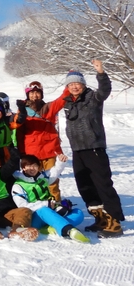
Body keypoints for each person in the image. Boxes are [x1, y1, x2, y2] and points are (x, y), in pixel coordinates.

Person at [62, 60, 124, 238]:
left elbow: (105, 90)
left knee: (103, 184)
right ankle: (100, 219)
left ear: (83, 84)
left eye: (77, 83)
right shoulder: (68, 103)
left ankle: (114, 222)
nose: (74, 87)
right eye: (71, 84)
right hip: (77, 149)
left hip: (94, 148)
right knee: (85, 185)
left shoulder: (93, 98)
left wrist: (101, 73)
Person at [11, 154, 89, 243]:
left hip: (50, 211)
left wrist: (61, 162)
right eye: (29, 166)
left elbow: (54, 171)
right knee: (44, 210)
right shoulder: (18, 185)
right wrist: (45, 204)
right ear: (23, 168)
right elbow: (23, 207)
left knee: (78, 213)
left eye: (35, 166)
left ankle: (50, 228)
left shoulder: (42, 177)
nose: (32, 168)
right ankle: (68, 230)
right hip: (34, 218)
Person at [15, 81, 69, 201]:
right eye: (32, 93)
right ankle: (39, 206)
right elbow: (19, 132)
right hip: (31, 153)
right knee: (34, 182)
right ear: (28, 95)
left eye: (38, 93)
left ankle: (57, 205)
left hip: (50, 152)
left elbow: (62, 100)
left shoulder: (48, 108)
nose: (35, 96)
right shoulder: (23, 111)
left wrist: (70, 83)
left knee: (52, 182)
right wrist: (21, 152)